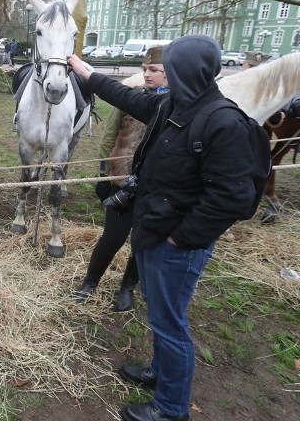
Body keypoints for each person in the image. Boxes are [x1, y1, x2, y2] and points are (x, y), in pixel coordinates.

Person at [67, 35, 257, 421]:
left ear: (187, 70)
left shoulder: (223, 122)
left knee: (171, 324)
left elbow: (232, 198)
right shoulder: (173, 104)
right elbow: (126, 96)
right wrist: (84, 71)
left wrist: (180, 238)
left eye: (169, 64)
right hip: (155, 230)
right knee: (160, 314)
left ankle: (171, 409)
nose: (160, 71)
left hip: (178, 244)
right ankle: (161, 373)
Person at [75, 46, 169, 312]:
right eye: (144, 69)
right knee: (111, 238)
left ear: (169, 72)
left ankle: (127, 287)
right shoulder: (131, 97)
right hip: (121, 181)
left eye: (154, 70)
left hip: (153, 190)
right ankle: (89, 283)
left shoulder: (178, 107)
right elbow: (108, 138)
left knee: (143, 243)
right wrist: (104, 175)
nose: (147, 75)